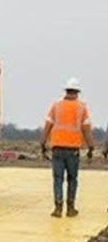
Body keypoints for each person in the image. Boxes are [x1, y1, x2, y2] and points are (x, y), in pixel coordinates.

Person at [41, 78, 95, 217]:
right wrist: (91, 147)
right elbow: (87, 129)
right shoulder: (82, 108)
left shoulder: (56, 106)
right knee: (72, 178)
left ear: (66, 91)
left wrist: (42, 144)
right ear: (77, 92)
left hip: (57, 148)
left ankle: (58, 208)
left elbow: (47, 126)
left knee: (58, 178)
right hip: (73, 150)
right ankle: (70, 208)